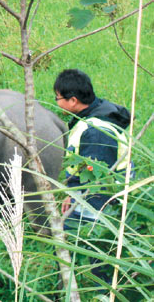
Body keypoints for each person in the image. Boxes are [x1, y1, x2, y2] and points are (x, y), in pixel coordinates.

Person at [54, 69, 130, 284]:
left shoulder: (95, 130)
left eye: (58, 98)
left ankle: (97, 289)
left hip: (101, 199)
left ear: (73, 100)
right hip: (91, 193)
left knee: (81, 243)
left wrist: (75, 194)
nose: (56, 102)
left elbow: (96, 175)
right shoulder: (98, 111)